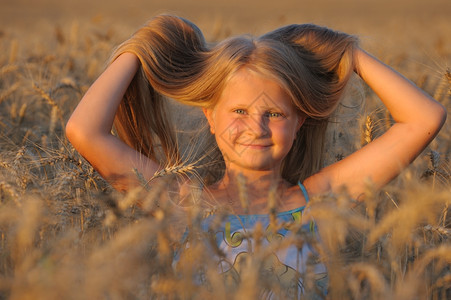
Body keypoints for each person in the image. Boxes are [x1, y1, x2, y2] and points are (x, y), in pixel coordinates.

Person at [65, 14, 446, 297]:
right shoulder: (181, 201)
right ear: (210, 118)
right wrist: (141, 48)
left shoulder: (320, 199)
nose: (257, 128)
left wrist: (348, 52)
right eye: (239, 112)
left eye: (276, 114)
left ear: (299, 122)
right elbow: (84, 131)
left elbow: (423, 118)